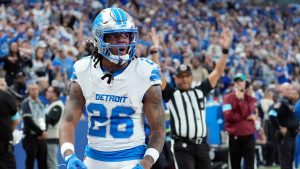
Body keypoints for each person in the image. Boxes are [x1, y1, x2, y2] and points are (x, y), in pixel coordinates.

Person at [59, 8, 166, 169]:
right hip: (93, 158)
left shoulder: (145, 72)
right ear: (99, 38)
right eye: (115, 35)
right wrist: (69, 156)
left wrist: (146, 163)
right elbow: (68, 121)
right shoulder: (83, 69)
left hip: (131, 158)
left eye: (126, 35)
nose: (123, 40)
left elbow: (158, 129)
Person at [150, 27, 232, 169]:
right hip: (183, 146)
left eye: (187, 76)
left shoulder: (200, 90)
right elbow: (157, 74)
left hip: (202, 145)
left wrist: (224, 51)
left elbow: (218, 71)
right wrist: (155, 51)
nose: (184, 79)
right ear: (175, 79)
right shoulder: (171, 93)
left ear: (191, 77)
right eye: (181, 77)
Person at [222, 73, 257, 169]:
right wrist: (245, 116)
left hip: (249, 135)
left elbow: (251, 112)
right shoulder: (227, 98)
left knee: (250, 166)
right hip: (235, 136)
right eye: (236, 81)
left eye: (241, 81)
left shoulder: (250, 98)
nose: (239, 83)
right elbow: (228, 116)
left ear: (246, 83)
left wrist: (240, 100)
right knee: (235, 165)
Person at [269, 83, 299, 169]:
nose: (289, 91)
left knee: (290, 160)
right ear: (282, 91)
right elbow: (272, 114)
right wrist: (279, 127)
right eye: (287, 89)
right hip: (285, 135)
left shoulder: (290, 102)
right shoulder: (281, 102)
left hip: (292, 134)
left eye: (290, 89)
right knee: (286, 160)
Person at [21, 83, 48, 169]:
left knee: (43, 162)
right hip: (30, 136)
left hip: (41, 137)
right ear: (28, 91)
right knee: (30, 162)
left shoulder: (42, 103)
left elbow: (45, 119)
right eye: (32, 89)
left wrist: (44, 132)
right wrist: (41, 132)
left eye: (36, 89)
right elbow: (28, 121)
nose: (35, 91)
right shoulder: (26, 103)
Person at [0, 78, 20, 169]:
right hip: (4, 143)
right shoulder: (7, 97)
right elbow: (16, 120)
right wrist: (8, 131)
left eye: (2, 84)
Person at [45, 86, 64, 169]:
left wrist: (38, 115)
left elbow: (52, 120)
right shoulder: (51, 105)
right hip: (46, 138)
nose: (46, 93)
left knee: (51, 162)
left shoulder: (58, 105)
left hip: (52, 138)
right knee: (47, 163)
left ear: (55, 94)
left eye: (49, 91)